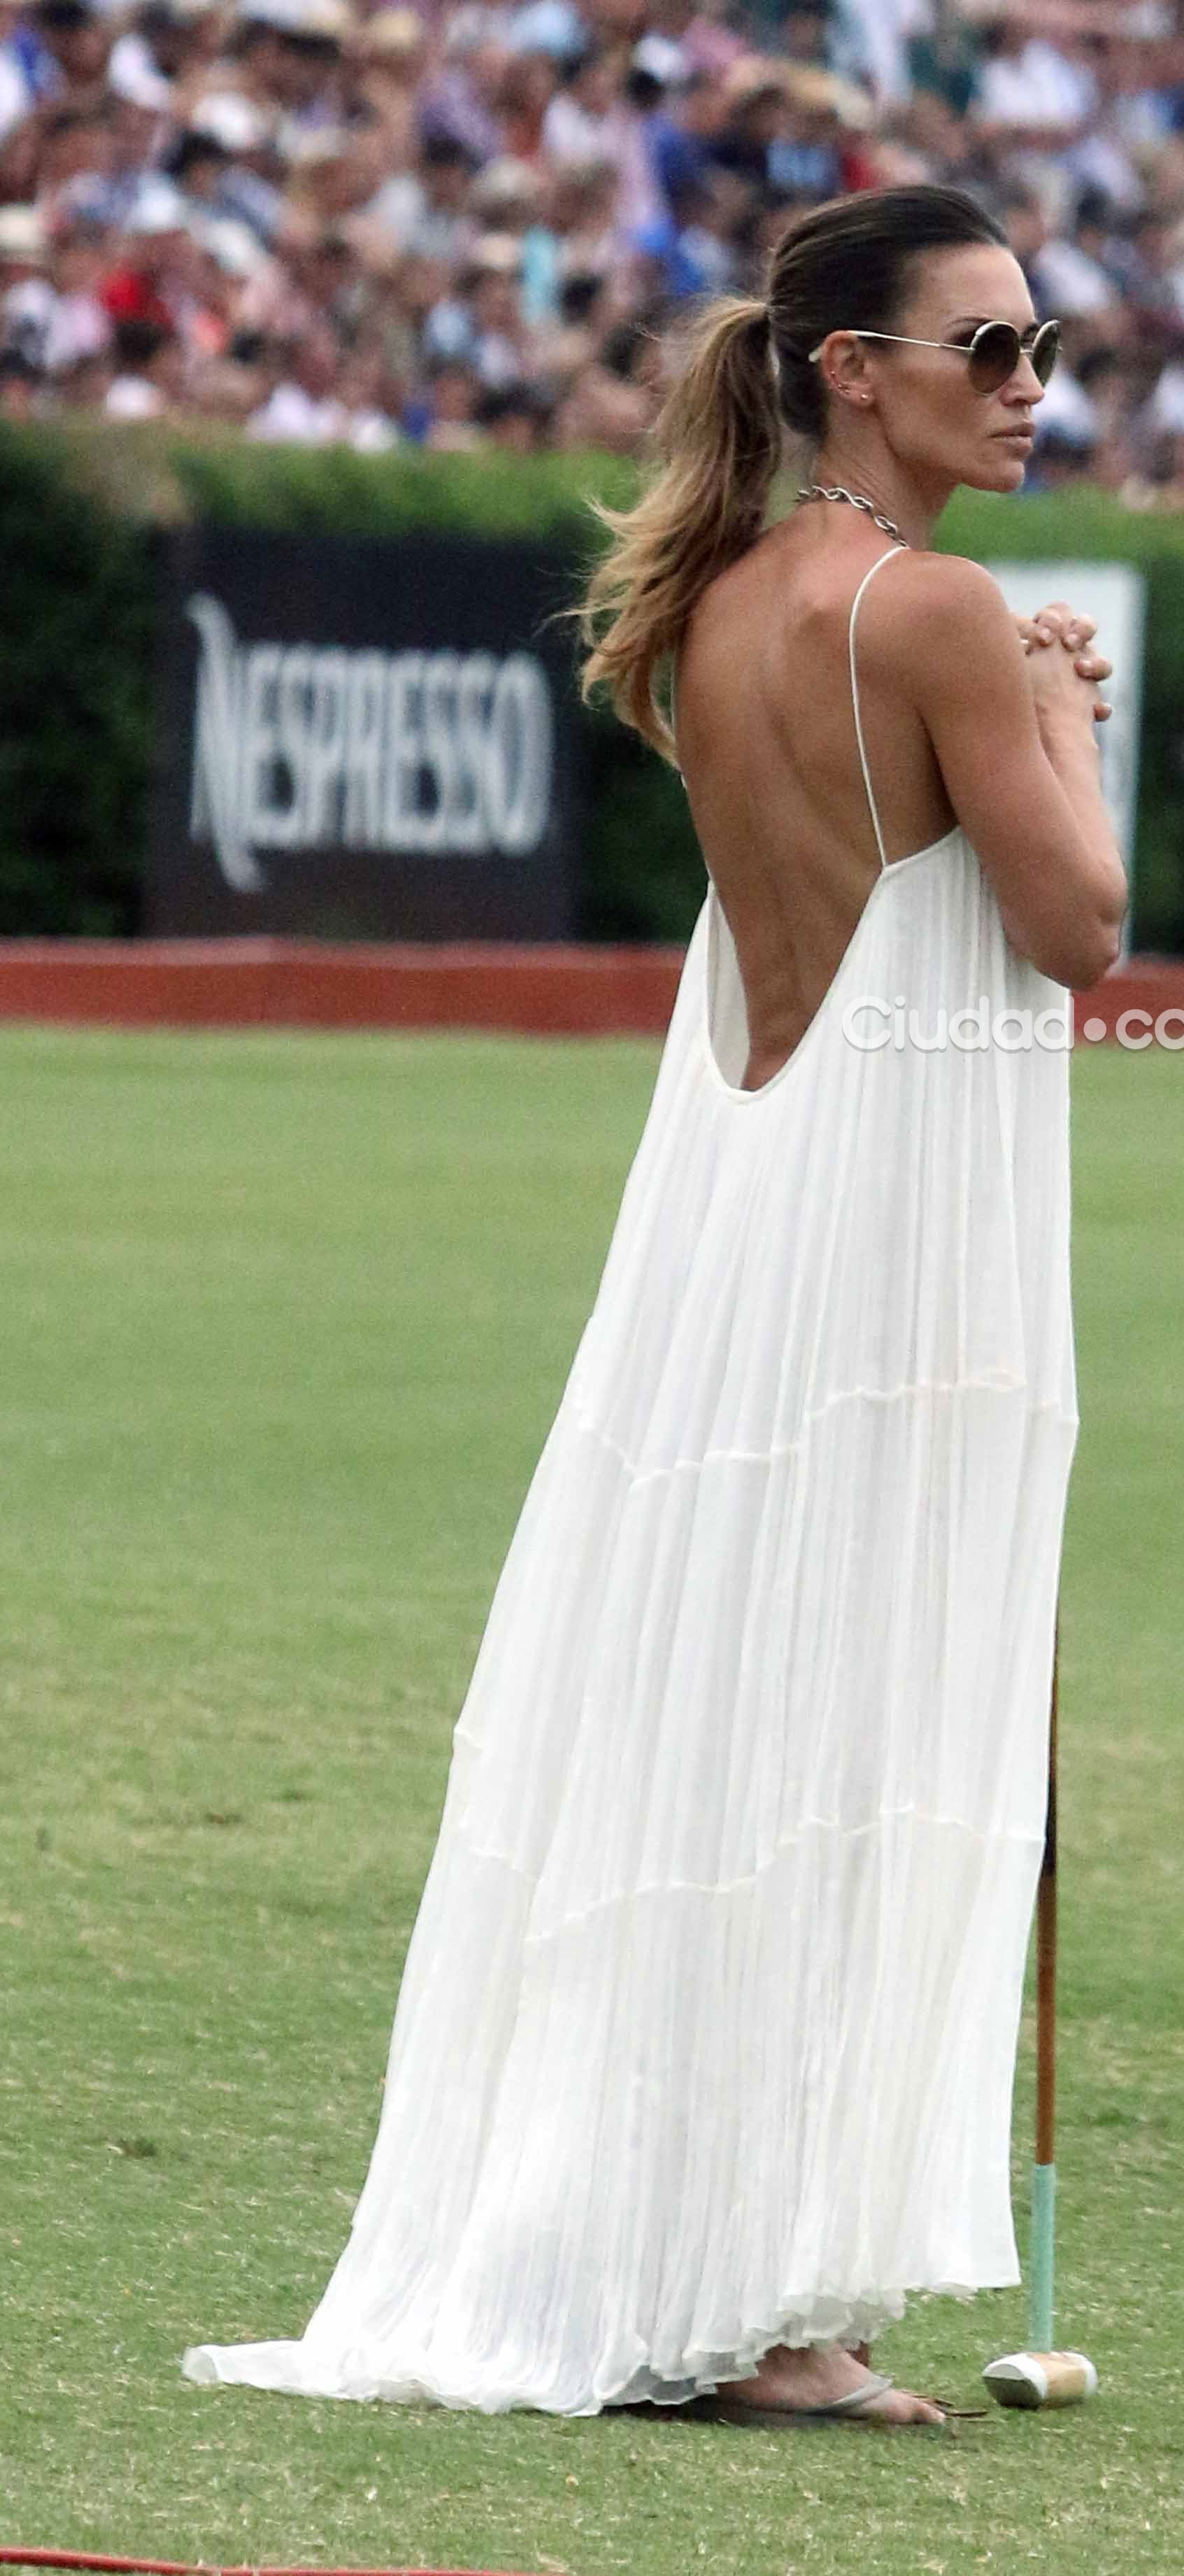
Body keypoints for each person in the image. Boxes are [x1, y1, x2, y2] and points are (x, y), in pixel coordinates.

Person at [183, 182, 1126, 2432]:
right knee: (845, 1716)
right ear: (852, 372)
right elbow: (1080, 929)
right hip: (890, 1223)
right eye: (983, 349)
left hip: (750, 1198)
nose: (1025, 390)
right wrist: (1060, 717)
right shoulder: (940, 613)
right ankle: (766, 2300)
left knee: (755, 1703)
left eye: (1042, 346)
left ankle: (729, 2260)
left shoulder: (718, 601)